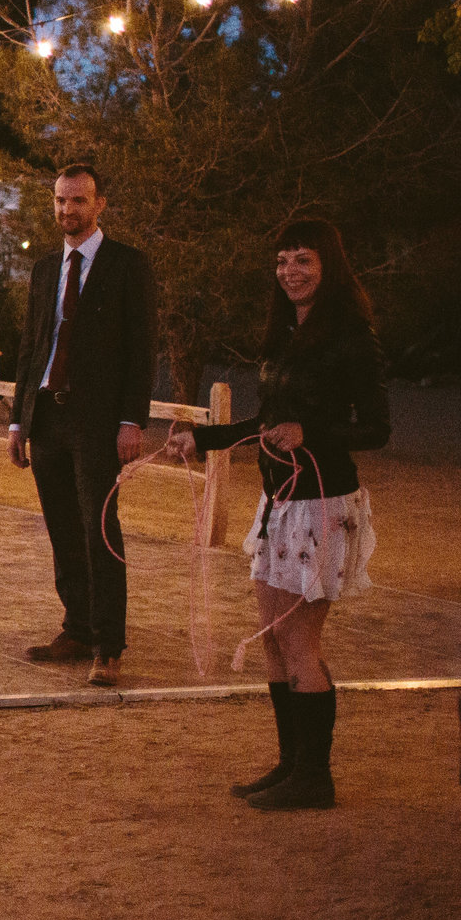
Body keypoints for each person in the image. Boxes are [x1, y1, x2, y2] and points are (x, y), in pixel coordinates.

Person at [168, 219, 390, 811]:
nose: (291, 271)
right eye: (283, 261)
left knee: (298, 645)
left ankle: (315, 777)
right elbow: (268, 421)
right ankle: (292, 764)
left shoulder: (351, 333)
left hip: (321, 503)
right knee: (272, 641)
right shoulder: (285, 331)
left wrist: (310, 431)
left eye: (304, 261)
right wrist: (205, 439)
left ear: (329, 266)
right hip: (279, 502)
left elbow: (376, 427)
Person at [8, 163, 156, 688]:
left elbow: (142, 351)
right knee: (63, 530)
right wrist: (17, 422)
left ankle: (108, 647)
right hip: (47, 417)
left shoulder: (126, 266)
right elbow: (32, 346)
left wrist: (130, 420)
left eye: (77, 201)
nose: (66, 210)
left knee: (100, 531)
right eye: (59, 201)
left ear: (99, 206)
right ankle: (76, 627)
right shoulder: (46, 269)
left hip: (98, 423)